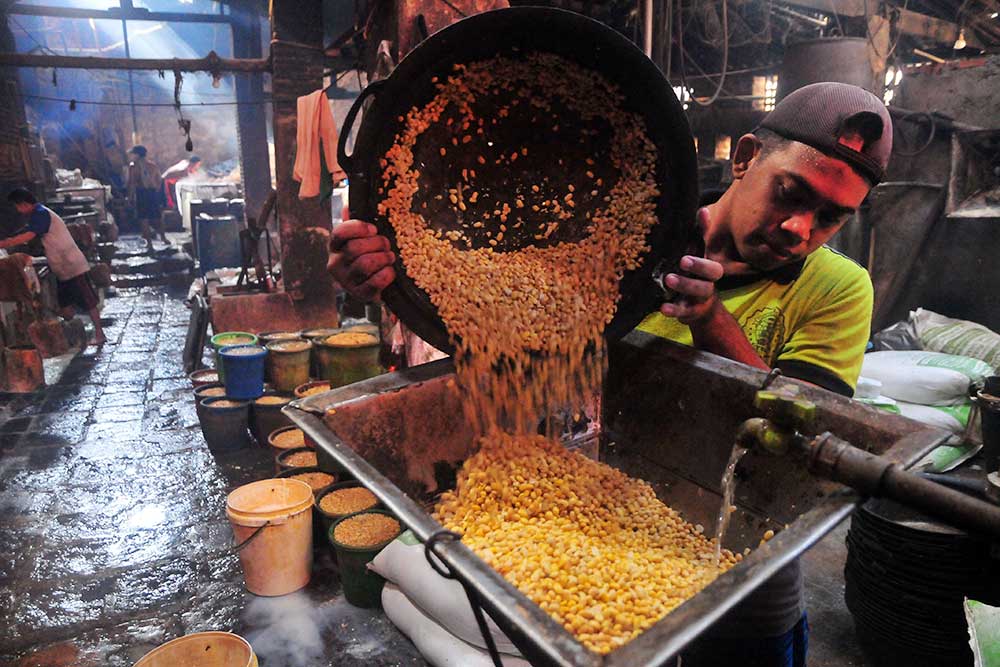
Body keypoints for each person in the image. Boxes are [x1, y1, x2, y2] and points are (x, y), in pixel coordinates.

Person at [325, 82, 892, 666]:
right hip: (591, 524)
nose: (801, 228)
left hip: (742, 560)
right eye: (790, 193)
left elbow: (800, 440)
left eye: (829, 217)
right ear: (746, 157)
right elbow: (508, 331)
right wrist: (391, 283)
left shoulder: (838, 288)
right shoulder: (625, 238)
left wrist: (710, 318)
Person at [3, 188, 107, 347]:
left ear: (23, 204)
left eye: (17, 206)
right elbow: (27, 232)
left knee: (88, 301)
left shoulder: (41, 213)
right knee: (65, 306)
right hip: (62, 266)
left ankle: (100, 334)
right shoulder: (35, 215)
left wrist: (6, 243)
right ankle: (74, 335)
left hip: (72, 263)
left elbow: (29, 236)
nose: (18, 210)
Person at [125, 145, 164, 251]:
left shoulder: (133, 167)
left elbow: (132, 183)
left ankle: (150, 244)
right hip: (152, 192)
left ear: (137, 155)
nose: (132, 156)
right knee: (157, 216)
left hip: (141, 193)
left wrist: (129, 198)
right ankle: (164, 238)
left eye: (133, 154)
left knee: (144, 219)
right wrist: (156, 190)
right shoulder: (152, 165)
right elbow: (159, 180)